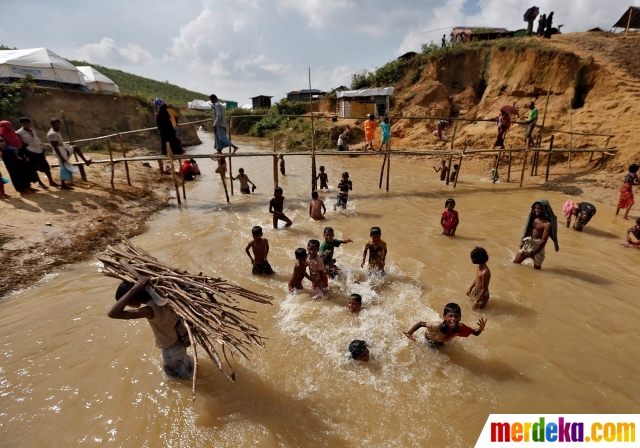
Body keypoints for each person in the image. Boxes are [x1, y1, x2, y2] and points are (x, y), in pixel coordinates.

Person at [108, 276, 194, 378]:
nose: (129, 306)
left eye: (128, 302)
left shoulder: (151, 310)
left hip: (170, 348)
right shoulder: (168, 298)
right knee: (185, 366)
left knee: (177, 378)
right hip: (179, 340)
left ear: (134, 297)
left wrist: (134, 289)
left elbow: (113, 314)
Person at [403, 303, 487, 347]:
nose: (453, 319)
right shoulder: (436, 325)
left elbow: (475, 333)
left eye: (456, 316)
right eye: (450, 316)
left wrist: (481, 329)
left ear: (460, 318)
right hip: (430, 339)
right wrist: (410, 333)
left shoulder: (460, 328)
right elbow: (421, 323)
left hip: (441, 340)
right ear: (444, 317)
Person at [47, 118, 93, 190]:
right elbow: (55, 147)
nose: (58, 125)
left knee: (76, 147)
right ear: (52, 125)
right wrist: (61, 157)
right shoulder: (52, 134)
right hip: (59, 151)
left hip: (63, 148)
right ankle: (63, 184)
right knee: (63, 166)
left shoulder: (56, 131)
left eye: (59, 124)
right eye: (56, 124)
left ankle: (86, 161)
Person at [513, 200, 559, 269]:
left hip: (539, 246)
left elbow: (543, 241)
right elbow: (528, 230)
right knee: (515, 263)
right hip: (529, 242)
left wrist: (534, 252)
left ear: (544, 210)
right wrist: (522, 241)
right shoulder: (533, 218)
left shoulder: (547, 224)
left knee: (537, 270)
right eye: (535, 208)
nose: (536, 210)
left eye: (539, 209)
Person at [16, 117, 58, 188]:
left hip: (39, 150)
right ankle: (40, 183)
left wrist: (43, 151)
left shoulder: (32, 131)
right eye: (24, 124)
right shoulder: (18, 133)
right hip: (30, 151)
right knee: (34, 168)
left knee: (46, 167)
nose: (26, 125)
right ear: (21, 124)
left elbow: (38, 142)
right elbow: (19, 143)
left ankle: (51, 181)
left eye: (28, 123)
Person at [156, 104, 183, 174]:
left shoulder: (159, 116)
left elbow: (158, 124)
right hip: (169, 131)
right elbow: (170, 123)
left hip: (163, 132)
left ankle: (164, 152)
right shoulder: (167, 114)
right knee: (173, 141)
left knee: (164, 142)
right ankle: (177, 151)